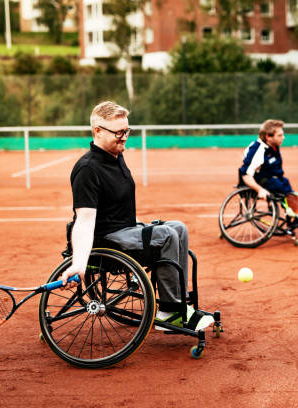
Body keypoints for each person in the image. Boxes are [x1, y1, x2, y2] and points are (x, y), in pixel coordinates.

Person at [59, 101, 212, 330]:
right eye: (118, 132)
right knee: (167, 235)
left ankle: (180, 303)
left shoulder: (115, 156)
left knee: (179, 227)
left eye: (126, 131)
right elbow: (84, 220)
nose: (124, 137)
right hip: (107, 240)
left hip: (124, 230)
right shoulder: (88, 169)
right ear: (98, 131)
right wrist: (80, 262)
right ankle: (169, 312)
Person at [239, 119, 293, 200]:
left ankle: (293, 209)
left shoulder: (273, 147)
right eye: (279, 135)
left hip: (270, 177)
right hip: (258, 180)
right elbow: (245, 174)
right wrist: (259, 189)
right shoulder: (258, 150)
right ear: (268, 137)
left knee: (285, 183)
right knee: (279, 186)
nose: (283, 138)